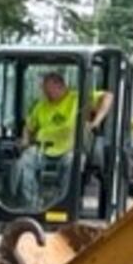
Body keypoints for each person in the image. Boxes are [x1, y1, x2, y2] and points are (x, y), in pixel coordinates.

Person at [12, 70, 113, 209]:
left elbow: (108, 96)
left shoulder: (78, 99)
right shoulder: (41, 105)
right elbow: (28, 127)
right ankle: (31, 206)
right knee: (24, 162)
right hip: (43, 149)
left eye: (47, 90)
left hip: (70, 149)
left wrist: (96, 121)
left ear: (60, 86)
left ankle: (63, 204)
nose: (45, 93)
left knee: (73, 163)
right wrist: (25, 140)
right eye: (44, 90)